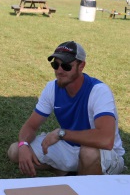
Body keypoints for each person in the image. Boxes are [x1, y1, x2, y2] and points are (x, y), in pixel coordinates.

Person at [7, 41, 125, 177]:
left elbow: (106, 140)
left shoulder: (98, 91)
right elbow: (30, 126)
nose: (59, 71)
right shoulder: (52, 88)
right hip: (69, 146)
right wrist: (23, 144)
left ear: (81, 66)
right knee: (15, 151)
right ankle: (71, 172)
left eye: (66, 66)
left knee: (88, 152)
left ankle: (82, 182)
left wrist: (61, 134)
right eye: (55, 65)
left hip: (104, 152)